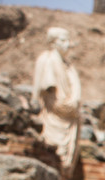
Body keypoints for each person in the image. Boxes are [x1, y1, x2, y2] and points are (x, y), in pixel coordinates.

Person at [32, 26, 82, 170]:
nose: (67, 44)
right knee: (51, 158)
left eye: (68, 40)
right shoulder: (46, 60)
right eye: (63, 40)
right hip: (52, 117)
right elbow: (41, 90)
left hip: (69, 117)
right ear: (53, 42)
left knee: (64, 166)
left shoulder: (69, 66)